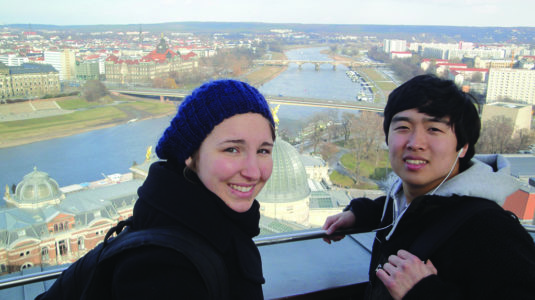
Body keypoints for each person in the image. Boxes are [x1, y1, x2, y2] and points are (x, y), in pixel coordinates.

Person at [36, 79, 275, 299]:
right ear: (189, 157)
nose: (253, 172)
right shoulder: (162, 268)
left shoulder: (209, 226)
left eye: (263, 150)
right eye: (232, 149)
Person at [323, 74, 535, 300]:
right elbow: (415, 214)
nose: (415, 143)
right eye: (403, 127)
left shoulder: (492, 233)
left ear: (463, 146)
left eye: (434, 129)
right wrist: (362, 214)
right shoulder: (407, 201)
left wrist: (425, 293)